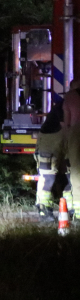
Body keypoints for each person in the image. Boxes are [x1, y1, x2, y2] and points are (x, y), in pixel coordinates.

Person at [34, 102, 69, 221]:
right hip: (50, 140)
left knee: (71, 175)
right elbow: (66, 125)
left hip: (65, 139)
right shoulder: (68, 103)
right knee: (48, 177)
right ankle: (44, 211)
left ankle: (71, 210)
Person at [61, 78, 80, 217]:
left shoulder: (70, 97)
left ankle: (79, 209)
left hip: (75, 133)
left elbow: (66, 121)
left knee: (76, 169)